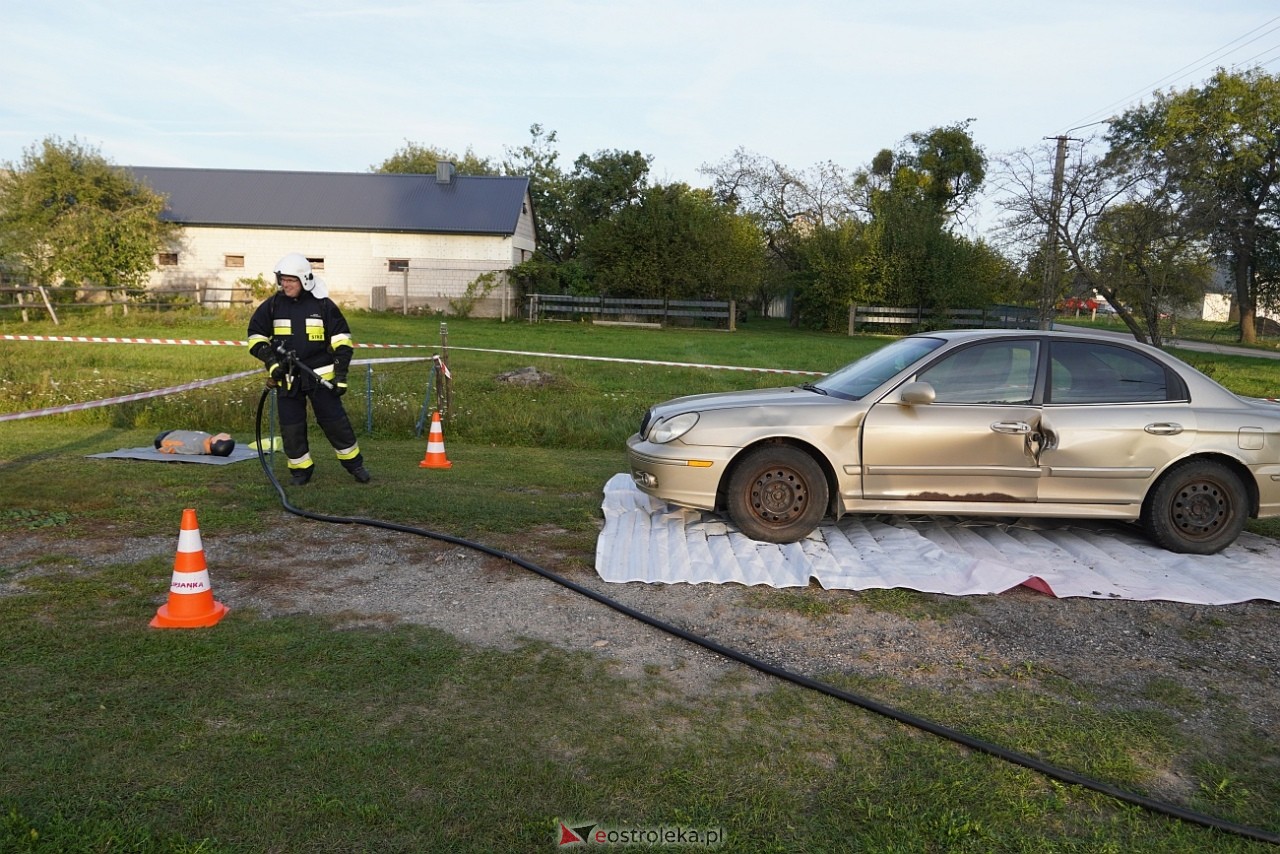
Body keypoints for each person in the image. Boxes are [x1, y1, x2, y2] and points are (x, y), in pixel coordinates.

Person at [247, 253, 370, 485]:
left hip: (320, 378)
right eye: (283, 279)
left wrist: (341, 376)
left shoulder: (323, 305)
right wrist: (272, 363)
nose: (285, 284)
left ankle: (355, 466)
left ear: (304, 280)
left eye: (291, 280)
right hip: (288, 379)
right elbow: (255, 337)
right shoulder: (273, 305)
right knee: (291, 428)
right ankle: (301, 470)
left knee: (336, 424)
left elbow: (342, 341)